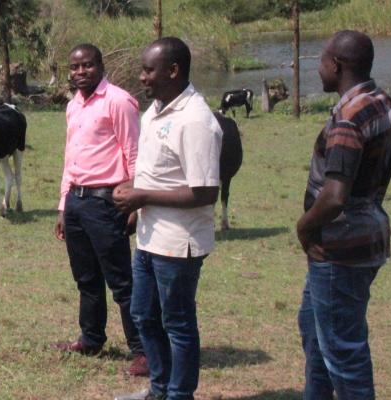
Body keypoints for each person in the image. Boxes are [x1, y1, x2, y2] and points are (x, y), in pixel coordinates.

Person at [112, 37, 222, 400]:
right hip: (149, 235)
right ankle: (159, 389)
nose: (141, 77)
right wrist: (136, 200)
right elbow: (159, 173)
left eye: (148, 70)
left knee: (177, 323)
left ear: (173, 71)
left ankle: (179, 394)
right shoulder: (156, 111)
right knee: (144, 315)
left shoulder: (196, 120)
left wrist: (141, 196)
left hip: (178, 243)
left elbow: (205, 192)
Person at [296, 30, 391, 400]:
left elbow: (335, 197)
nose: (318, 69)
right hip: (368, 237)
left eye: (321, 62)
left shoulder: (348, 120)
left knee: (343, 354)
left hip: (339, 249)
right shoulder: (384, 103)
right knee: (314, 331)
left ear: (336, 65)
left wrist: (304, 227)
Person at [52, 43, 147, 377]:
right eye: (75, 67)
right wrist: (64, 205)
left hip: (107, 201)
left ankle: (144, 351)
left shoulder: (119, 101)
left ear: (101, 66)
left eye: (88, 66)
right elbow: (70, 159)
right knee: (86, 278)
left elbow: (134, 153)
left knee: (121, 281)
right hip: (77, 200)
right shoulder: (73, 106)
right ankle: (91, 339)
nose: (81, 72)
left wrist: (135, 202)